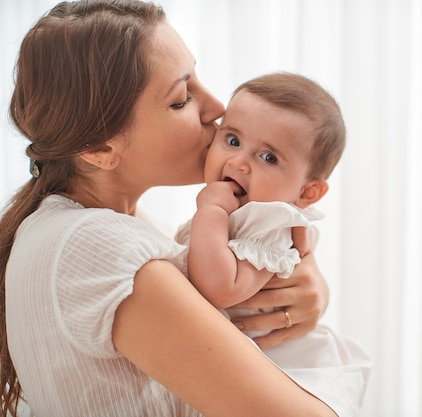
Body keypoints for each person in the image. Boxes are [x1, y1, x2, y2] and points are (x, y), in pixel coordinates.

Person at [0, 1, 338, 416]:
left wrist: (305, 280)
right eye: (182, 99)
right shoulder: (96, 247)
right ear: (100, 148)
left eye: (197, 77)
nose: (217, 107)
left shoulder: (138, 231)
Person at [176, 72, 372, 416]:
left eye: (268, 158)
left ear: (306, 193)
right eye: (233, 140)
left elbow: (220, 288)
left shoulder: (271, 222)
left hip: (290, 374)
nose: (238, 162)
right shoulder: (237, 215)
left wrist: (211, 211)